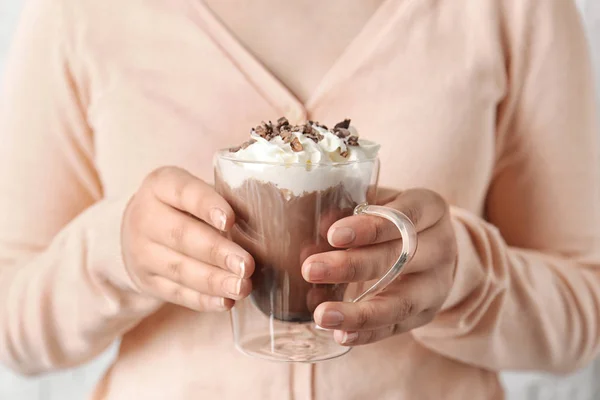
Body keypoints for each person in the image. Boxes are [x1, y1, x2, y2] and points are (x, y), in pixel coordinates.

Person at [0, 0, 598, 399]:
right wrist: (115, 253)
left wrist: (465, 274)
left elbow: (585, 314)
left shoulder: (515, 12)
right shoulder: (78, 13)